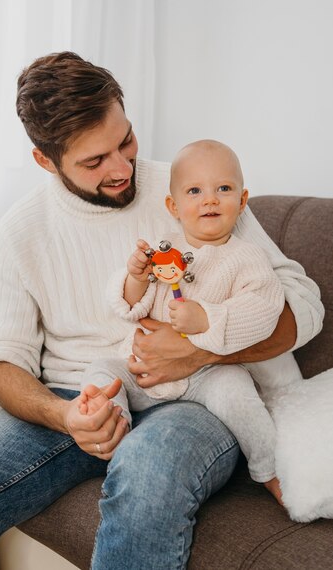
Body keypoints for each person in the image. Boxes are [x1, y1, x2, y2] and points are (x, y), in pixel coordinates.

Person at [0, 52, 324, 570]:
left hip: (193, 402)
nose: (122, 168)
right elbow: (0, 360)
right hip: (79, 393)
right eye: (94, 161)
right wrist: (63, 415)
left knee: (145, 478)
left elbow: (303, 305)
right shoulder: (20, 233)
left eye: (125, 141)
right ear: (45, 160)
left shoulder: (191, 189)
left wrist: (199, 353)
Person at [81, 140, 303, 504]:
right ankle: (110, 422)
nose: (210, 200)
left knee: (239, 394)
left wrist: (206, 319)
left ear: (242, 201)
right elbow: (130, 306)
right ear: (174, 206)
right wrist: (136, 278)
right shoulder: (162, 250)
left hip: (208, 375)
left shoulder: (248, 258)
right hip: (143, 372)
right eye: (195, 191)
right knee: (102, 369)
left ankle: (269, 470)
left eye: (224, 189)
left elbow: (264, 310)